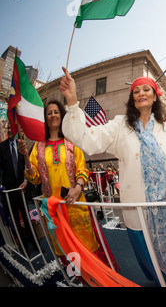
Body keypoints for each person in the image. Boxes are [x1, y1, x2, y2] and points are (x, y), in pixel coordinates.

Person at [59, 67, 166, 287]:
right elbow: (86, 140)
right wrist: (72, 102)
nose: (141, 93)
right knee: (155, 269)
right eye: (136, 91)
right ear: (132, 98)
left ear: (154, 96)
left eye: (146, 89)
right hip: (139, 217)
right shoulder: (119, 127)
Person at [18, 100, 118, 272]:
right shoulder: (38, 147)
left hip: (76, 206)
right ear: (46, 118)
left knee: (86, 246)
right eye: (49, 112)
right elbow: (34, 179)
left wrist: (78, 188)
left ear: (61, 116)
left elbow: (82, 170)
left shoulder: (72, 142)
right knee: (67, 250)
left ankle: (95, 278)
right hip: (53, 210)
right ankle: (81, 279)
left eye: (56, 112)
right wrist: (26, 157)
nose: (53, 115)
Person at [0, 124, 35, 254]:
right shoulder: (1, 147)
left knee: (27, 218)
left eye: (11, 129)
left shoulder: (22, 145)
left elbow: (28, 166)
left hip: (23, 190)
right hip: (9, 192)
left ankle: (34, 242)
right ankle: (24, 246)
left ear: (16, 131)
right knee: (15, 219)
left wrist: (26, 181)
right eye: (7, 129)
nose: (9, 131)